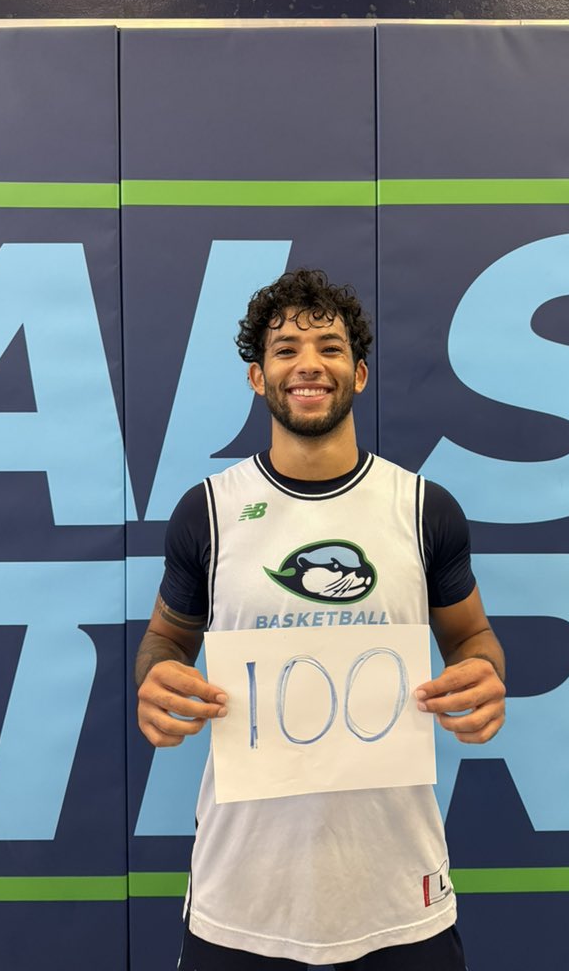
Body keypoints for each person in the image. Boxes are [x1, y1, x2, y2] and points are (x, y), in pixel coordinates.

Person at [135, 268, 506, 970]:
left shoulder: (423, 508)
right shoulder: (208, 511)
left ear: (359, 374)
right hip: (240, 904)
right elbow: (166, 639)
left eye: (330, 348)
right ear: (257, 378)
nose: (309, 363)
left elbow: (471, 638)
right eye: (285, 350)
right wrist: (155, 680)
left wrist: (484, 675)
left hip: (401, 901)